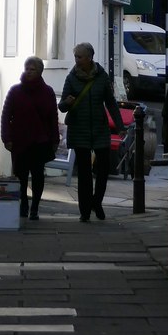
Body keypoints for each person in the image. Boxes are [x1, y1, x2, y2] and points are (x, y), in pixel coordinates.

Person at [58, 43, 124, 222]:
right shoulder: (71, 78)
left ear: (89, 58)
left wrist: (120, 126)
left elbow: (110, 103)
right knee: (84, 173)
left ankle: (97, 202)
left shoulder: (101, 76)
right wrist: (67, 102)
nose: (77, 60)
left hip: (100, 128)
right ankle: (85, 210)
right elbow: (62, 106)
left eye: (80, 57)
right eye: (76, 57)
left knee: (103, 169)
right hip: (79, 129)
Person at [0, 56, 59, 221]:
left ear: (40, 71)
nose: (28, 72)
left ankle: (35, 207)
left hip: (40, 141)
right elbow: (6, 116)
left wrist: (55, 140)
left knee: (38, 175)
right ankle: (23, 204)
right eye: (27, 68)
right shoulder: (15, 91)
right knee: (20, 176)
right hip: (19, 140)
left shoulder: (48, 92)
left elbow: (53, 117)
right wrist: (6, 138)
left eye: (32, 69)